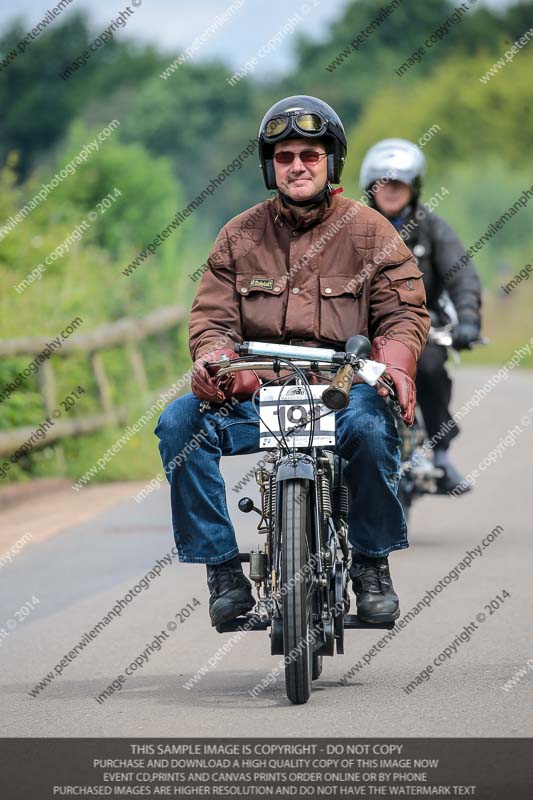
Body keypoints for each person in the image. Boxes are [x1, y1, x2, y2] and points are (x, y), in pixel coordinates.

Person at [155, 97, 429, 629]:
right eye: (284, 157)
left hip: (341, 392)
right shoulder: (238, 236)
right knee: (178, 424)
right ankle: (222, 572)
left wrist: (394, 365)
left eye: (310, 154)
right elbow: (211, 319)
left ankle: (371, 566)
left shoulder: (372, 232)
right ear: (269, 166)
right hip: (256, 392)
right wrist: (215, 364)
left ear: (332, 162)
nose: (297, 165)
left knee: (373, 433)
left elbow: (403, 311)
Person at [359, 139, 482, 493]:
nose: (392, 191)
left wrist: (469, 320)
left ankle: (441, 455)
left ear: (414, 188)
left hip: (419, 327)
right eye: (384, 183)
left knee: (428, 367)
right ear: (371, 187)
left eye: (400, 184)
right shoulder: (352, 225)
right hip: (361, 327)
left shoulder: (432, 228)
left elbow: (463, 276)